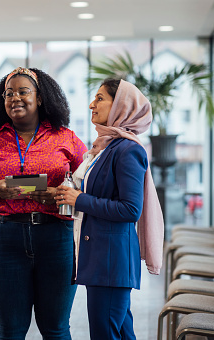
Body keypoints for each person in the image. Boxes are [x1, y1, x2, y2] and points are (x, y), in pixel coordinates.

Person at [0, 67, 87, 339]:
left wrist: (58, 193)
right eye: (9, 93)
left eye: (24, 91)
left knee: (56, 329)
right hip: (4, 238)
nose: (15, 98)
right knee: (9, 330)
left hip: (56, 236)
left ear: (41, 98)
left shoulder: (66, 138)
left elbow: (86, 185)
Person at [56, 78, 164, 339]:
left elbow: (130, 210)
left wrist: (77, 199)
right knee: (119, 331)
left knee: (106, 331)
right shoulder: (107, 146)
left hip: (110, 263)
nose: (92, 104)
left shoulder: (127, 150)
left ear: (121, 106)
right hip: (102, 260)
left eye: (100, 98)